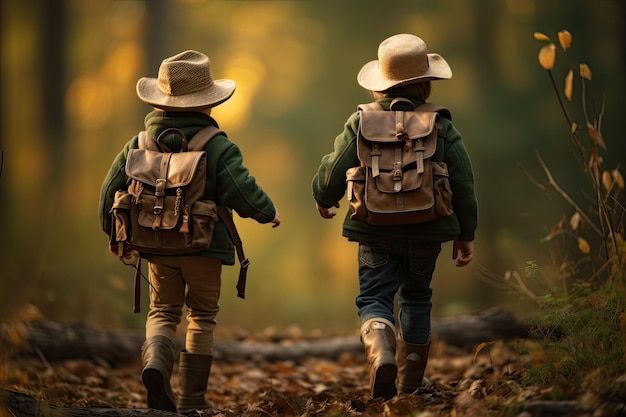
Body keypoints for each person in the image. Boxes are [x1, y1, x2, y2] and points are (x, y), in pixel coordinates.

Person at [99, 50, 280, 413]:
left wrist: (113, 232)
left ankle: (155, 364)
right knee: (201, 316)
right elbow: (241, 190)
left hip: (156, 246)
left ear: (160, 102)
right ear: (207, 105)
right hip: (204, 246)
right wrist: (267, 212)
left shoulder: (138, 145)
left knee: (163, 310)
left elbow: (109, 192)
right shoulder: (217, 146)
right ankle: (191, 397)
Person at [311, 34, 478, 399]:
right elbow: (463, 181)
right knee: (417, 297)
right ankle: (410, 384)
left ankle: (381, 354)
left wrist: (324, 197)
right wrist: (466, 234)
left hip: (373, 226)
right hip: (427, 229)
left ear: (380, 85)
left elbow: (334, 168)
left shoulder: (361, 122)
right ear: (426, 83)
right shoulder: (442, 126)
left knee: (374, 296)